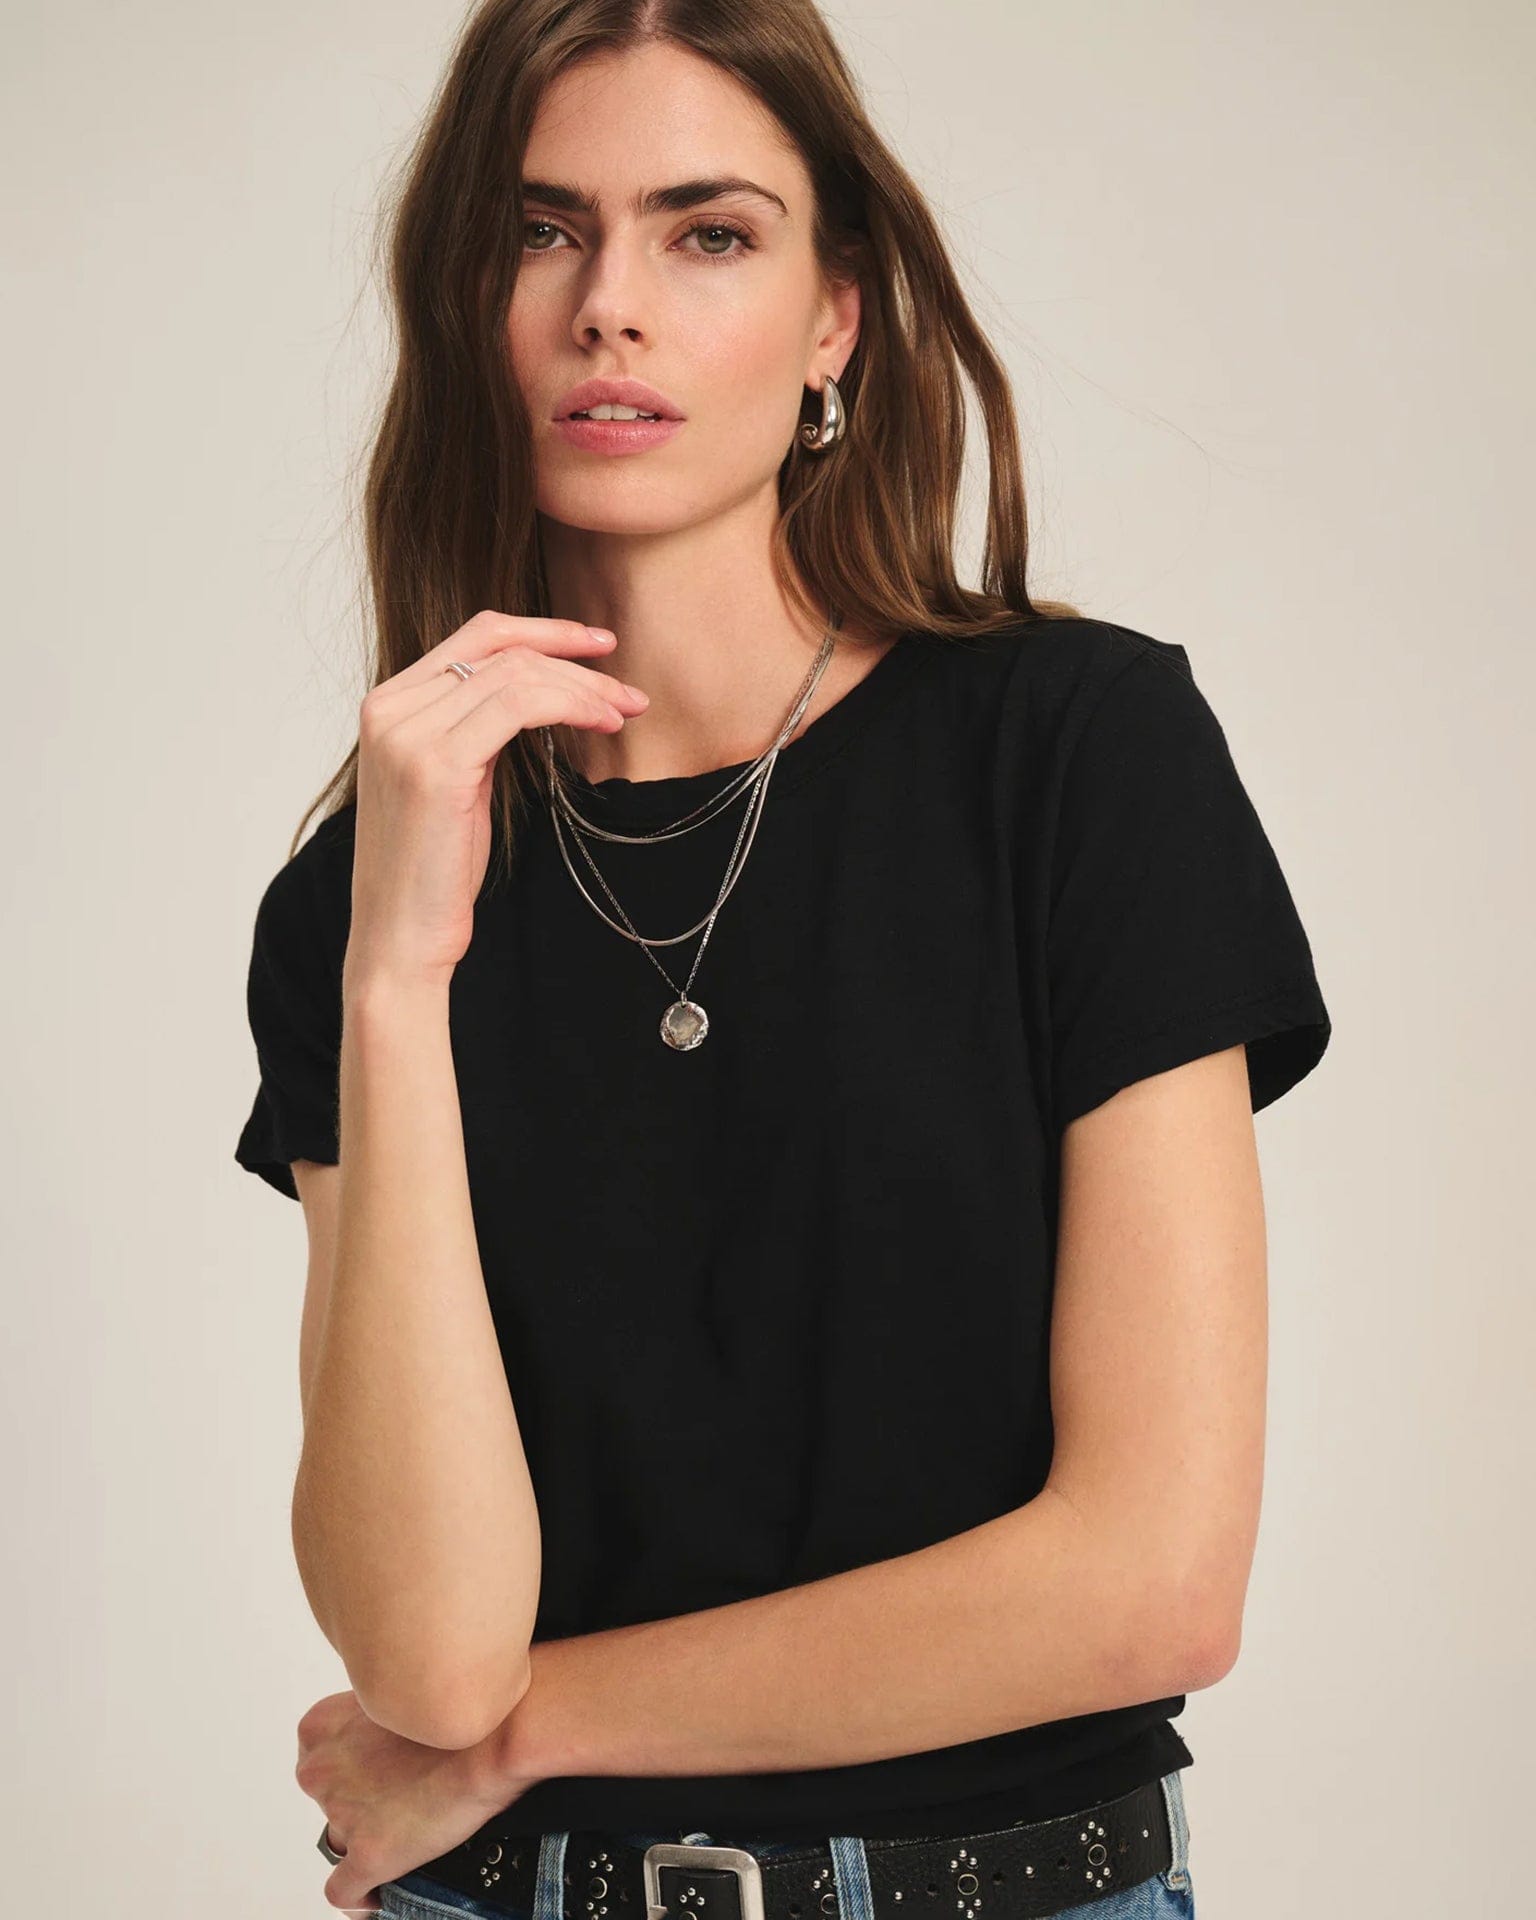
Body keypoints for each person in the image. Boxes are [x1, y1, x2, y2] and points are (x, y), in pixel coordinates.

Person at [234, 4, 1332, 1917]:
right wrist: (396, 984)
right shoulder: (358, 903)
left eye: (709, 233)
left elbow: (1151, 1581)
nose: (611, 308)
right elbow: (427, 1656)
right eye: (540, 231)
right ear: (464, 303)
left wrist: (523, 1736)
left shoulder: (1076, 755)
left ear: (837, 318)